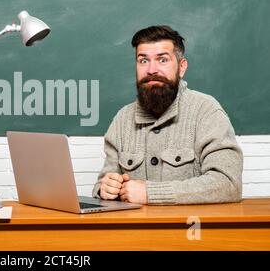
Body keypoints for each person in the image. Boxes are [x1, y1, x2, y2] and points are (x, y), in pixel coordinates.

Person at [92, 25, 243, 205]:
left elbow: (228, 184)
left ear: (181, 67)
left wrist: (152, 193)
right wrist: (105, 189)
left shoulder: (207, 112)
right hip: (135, 232)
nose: (151, 70)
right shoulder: (122, 119)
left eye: (162, 60)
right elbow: (104, 183)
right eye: (143, 61)